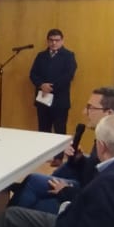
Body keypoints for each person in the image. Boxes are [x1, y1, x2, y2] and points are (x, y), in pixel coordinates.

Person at [10, 87, 114, 215]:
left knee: (32, 196)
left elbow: (100, 194)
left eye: (90, 108)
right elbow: (94, 171)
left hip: (87, 206)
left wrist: (66, 191)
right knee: (33, 184)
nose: (84, 112)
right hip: (83, 191)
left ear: (109, 113)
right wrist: (80, 159)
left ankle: (9, 217)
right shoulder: (107, 137)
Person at [29, 29, 77, 163]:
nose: (54, 43)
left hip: (60, 100)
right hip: (42, 98)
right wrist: (41, 85)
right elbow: (32, 74)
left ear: (62, 41)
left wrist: (51, 87)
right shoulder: (41, 56)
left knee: (60, 129)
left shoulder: (69, 56)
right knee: (43, 129)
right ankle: (44, 156)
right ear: (47, 41)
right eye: (51, 40)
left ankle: (58, 157)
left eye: (57, 40)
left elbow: (69, 75)